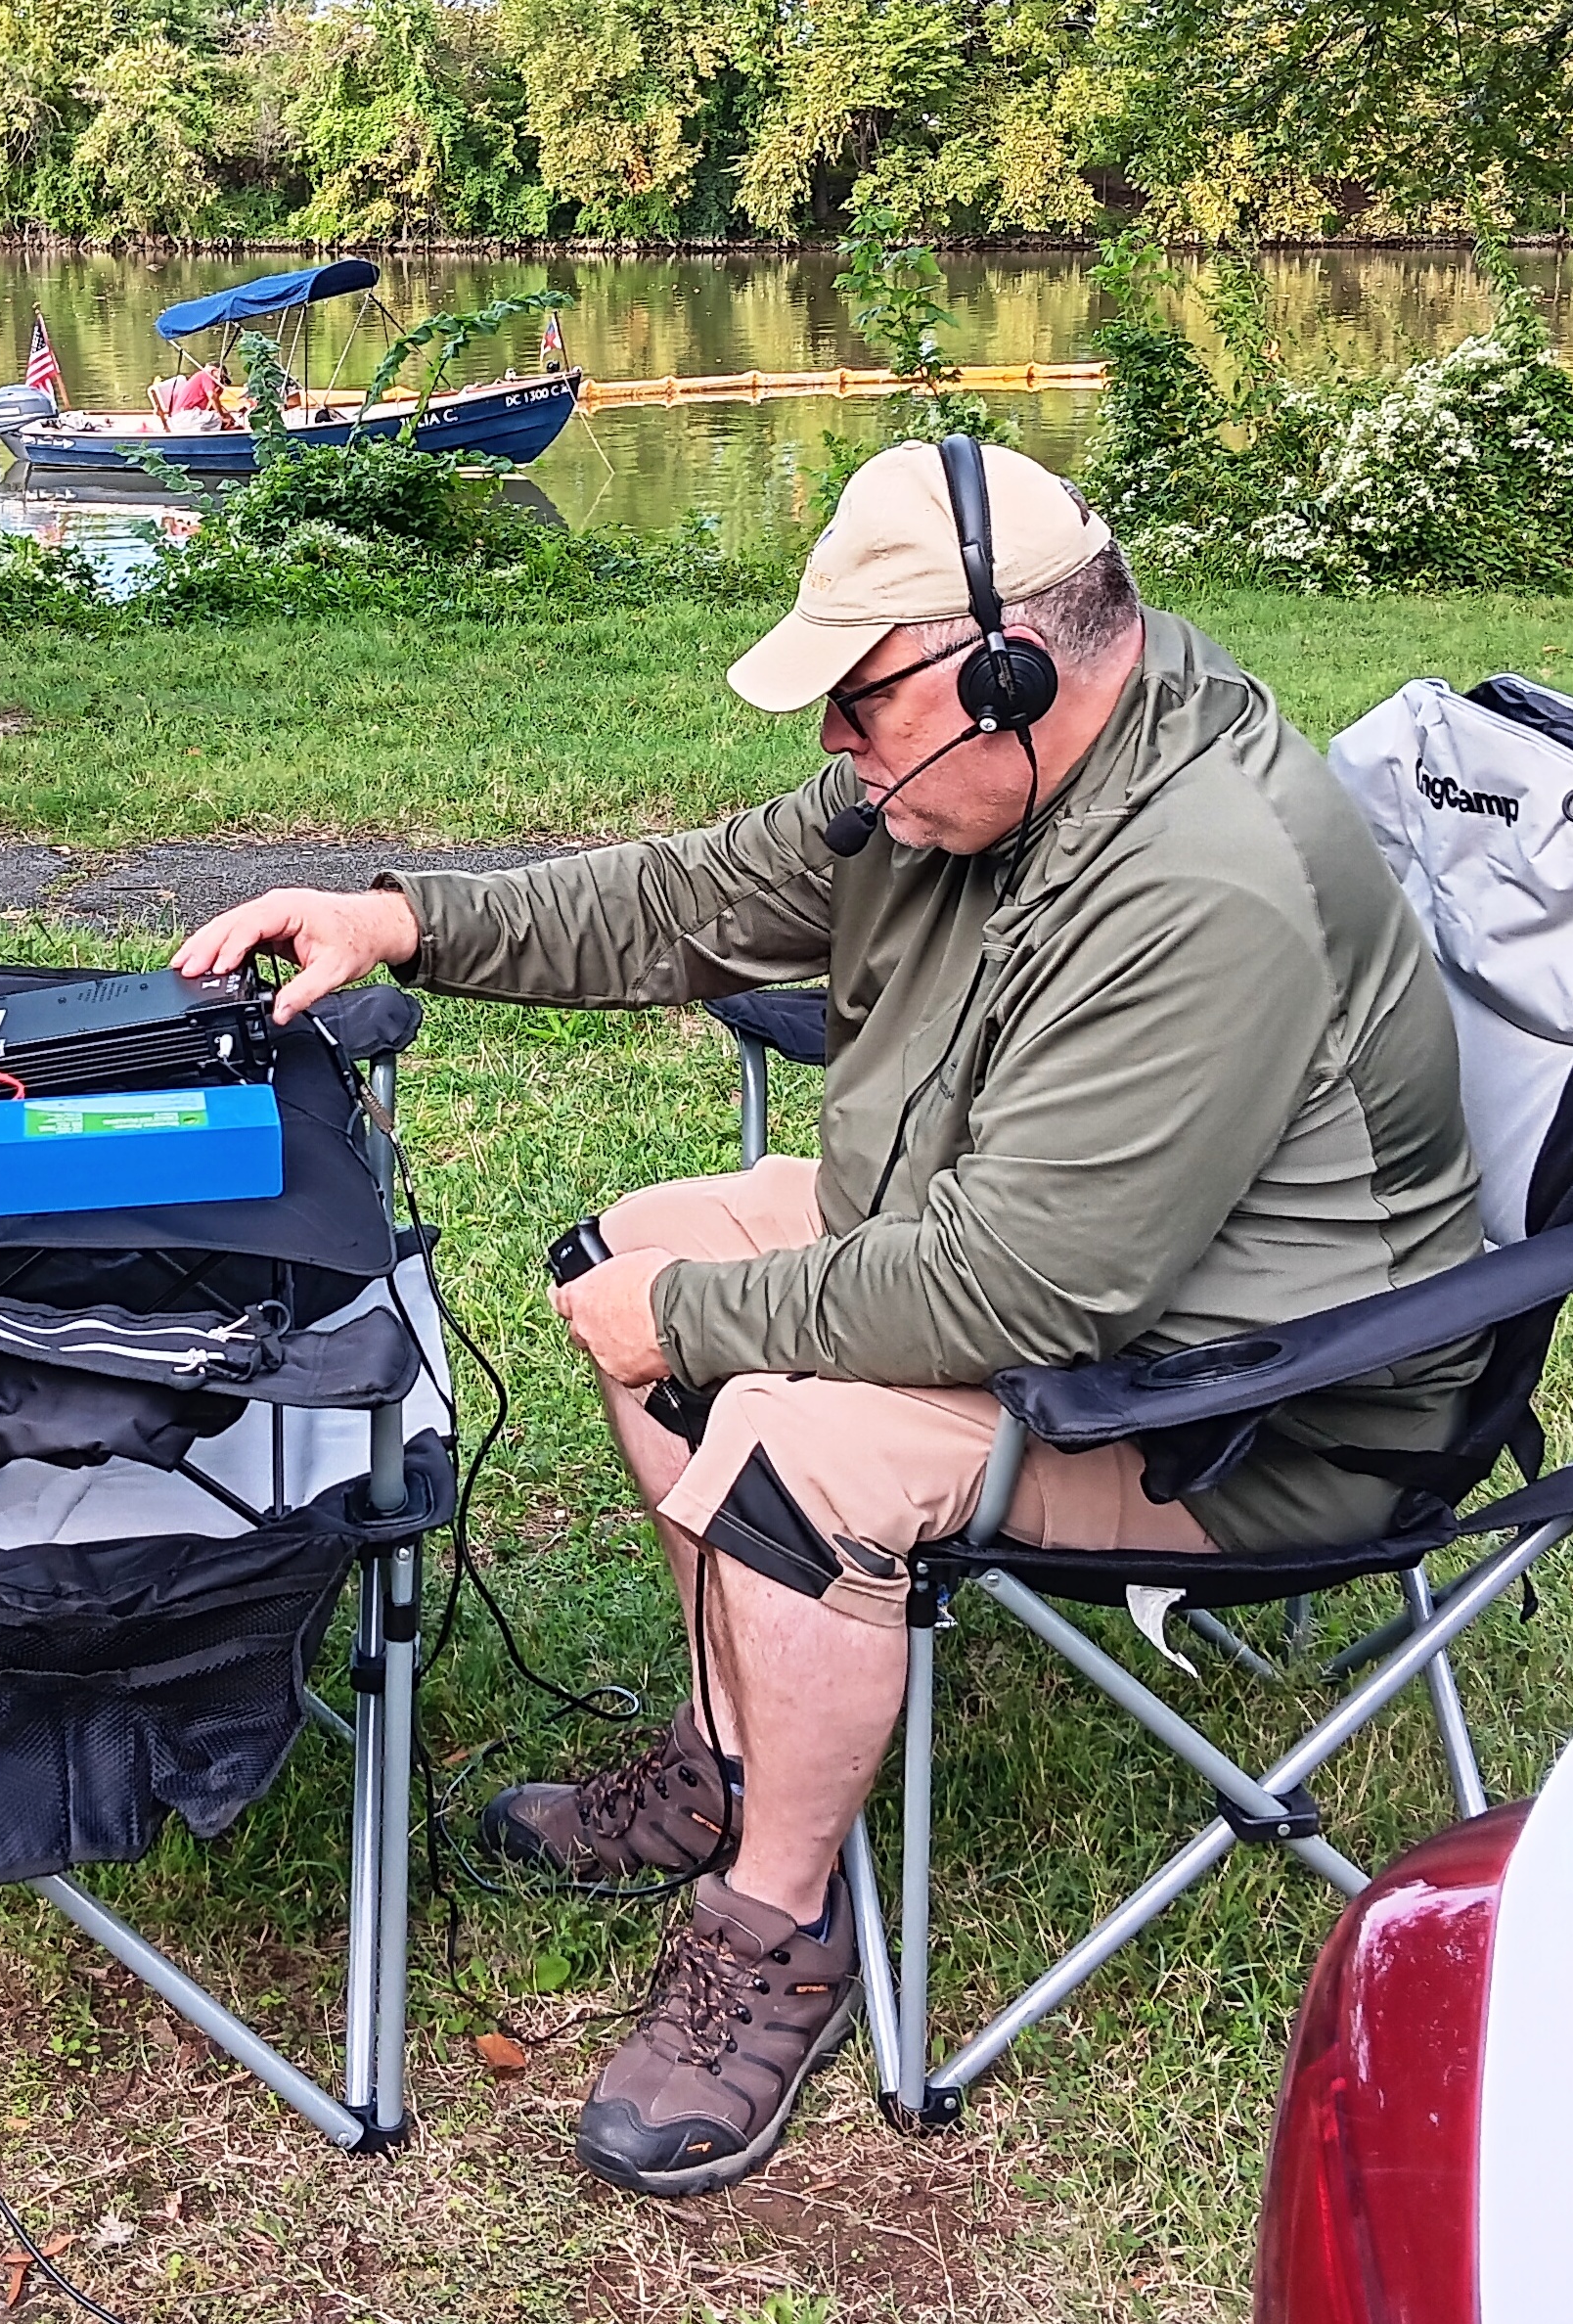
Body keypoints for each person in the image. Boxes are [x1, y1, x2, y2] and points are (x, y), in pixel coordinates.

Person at [172, 438, 1484, 2199]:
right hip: (1066, 1274)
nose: (836, 745)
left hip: (1241, 1409)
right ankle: (731, 1756)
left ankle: (772, 1922)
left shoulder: (1200, 883)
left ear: (1005, 668)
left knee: (789, 1436)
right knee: (629, 1251)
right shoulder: (969, 778)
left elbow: (1025, 1284)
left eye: (861, 702)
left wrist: (700, 1321)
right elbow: (690, 899)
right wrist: (398, 918)